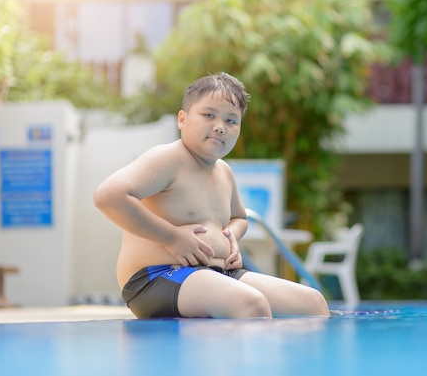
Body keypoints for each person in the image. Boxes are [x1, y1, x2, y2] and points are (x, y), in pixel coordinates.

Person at [93, 73, 330, 319]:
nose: (220, 126)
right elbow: (108, 197)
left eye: (231, 120)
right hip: (157, 276)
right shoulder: (168, 159)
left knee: (312, 303)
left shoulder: (224, 172)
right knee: (250, 304)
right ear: (182, 119)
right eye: (209, 115)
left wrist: (232, 238)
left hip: (218, 273)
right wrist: (172, 237)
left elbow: (240, 218)